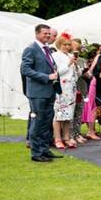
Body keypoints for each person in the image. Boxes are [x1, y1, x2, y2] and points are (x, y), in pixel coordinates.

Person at [20, 23, 62, 162]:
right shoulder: (30, 49)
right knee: (37, 122)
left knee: (46, 122)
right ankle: (36, 153)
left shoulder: (47, 49)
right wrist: (46, 77)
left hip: (49, 91)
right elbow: (25, 70)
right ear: (37, 34)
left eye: (49, 33)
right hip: (37, 92)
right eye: (45, 33)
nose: (48, 36)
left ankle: (44, 149)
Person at [51, 35, 79, 149]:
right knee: (59, 114)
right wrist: (68, 63)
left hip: (71, 88)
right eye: (64, 44)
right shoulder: (55, 56)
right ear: (59, 45)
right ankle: (57, 138)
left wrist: (76, 66)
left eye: (68, 44)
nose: (67, 47)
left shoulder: (70, 55)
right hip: (61, 88)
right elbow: (56, 73)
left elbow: (77, 75)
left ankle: (66, 137)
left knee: (69, 114)